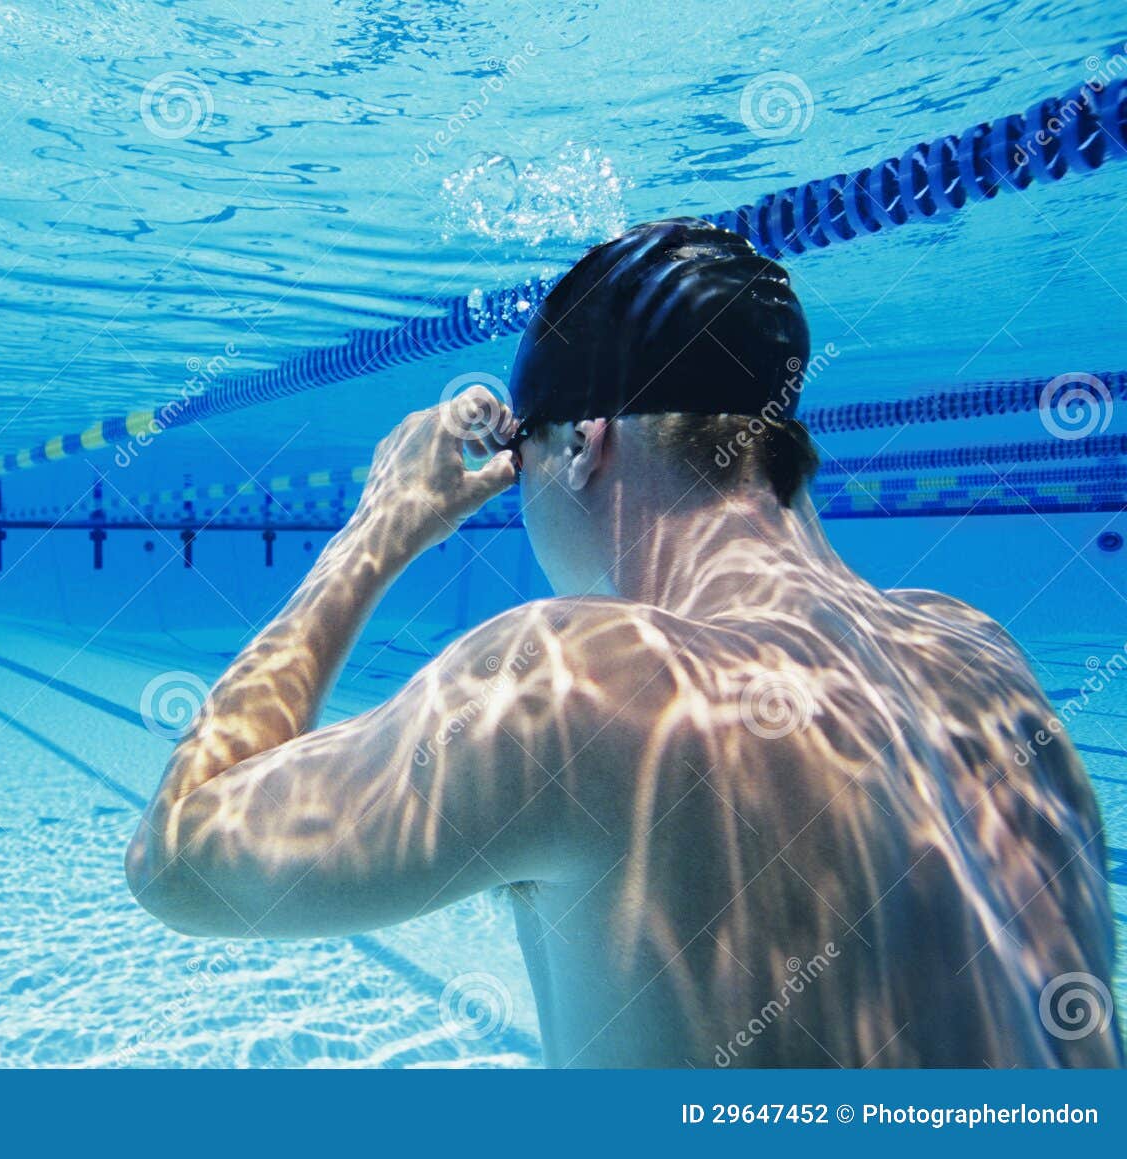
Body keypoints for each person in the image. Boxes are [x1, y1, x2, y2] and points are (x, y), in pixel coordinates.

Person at [125, 218, 1121, 1067]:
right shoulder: (977, 653)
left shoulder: (578, 681)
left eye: (520, 459)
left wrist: (371, 535)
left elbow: (178, 858)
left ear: (586, 444)